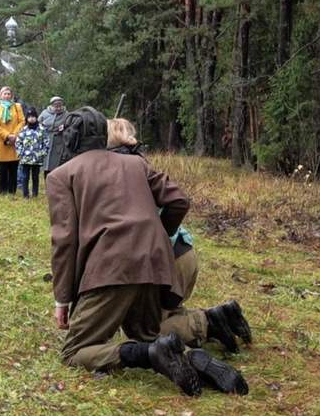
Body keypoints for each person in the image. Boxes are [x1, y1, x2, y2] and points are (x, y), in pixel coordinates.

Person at [47, 106, 247, 396]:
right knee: (150, 333)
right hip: (155, 262)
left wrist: (62, 300)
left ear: (69, 139)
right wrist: (158, 235)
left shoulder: (61, 176)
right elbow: (179, 199)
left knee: (74, 351)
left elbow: (64, 242)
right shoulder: (135, 163)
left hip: (110, 268)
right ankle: (192, 352)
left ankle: (145, 356)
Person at [108, 118, 253, 359]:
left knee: (144, 335)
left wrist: (160, 237)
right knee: (163, 316)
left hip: (168, 261)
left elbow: (178, 202)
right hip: (182, 252)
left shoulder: (121, 170)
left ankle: (207, 323)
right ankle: (221, 316)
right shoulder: (140, 162)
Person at [0, 86, 25, 195]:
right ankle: (2, 191)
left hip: (15, 141)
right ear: (0, 95)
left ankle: (12, 191)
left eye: (8, 94)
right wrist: (7, 135)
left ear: (11, 95)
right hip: (2, 141)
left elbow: (22, 122)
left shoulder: (17, 106)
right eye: (4, 93)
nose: (7, 95)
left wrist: (14, 135)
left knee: (13, 168)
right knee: (2, 168)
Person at [14, 108, 48, 198]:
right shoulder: (23, 130)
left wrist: (43, 153)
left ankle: (35, 194)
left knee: (35, 177)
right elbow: (18, 142)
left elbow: (46, 142)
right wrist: (20, 153)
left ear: (36, 117)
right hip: (25, 158)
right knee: (25, 177)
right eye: (29, 117)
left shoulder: (41, 129)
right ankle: (25, 194)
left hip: (37, 158)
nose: (31, 119)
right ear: (27, 118)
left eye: (33, 117)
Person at [39, 96, 67, 179]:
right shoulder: (45, 113)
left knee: (57, 163)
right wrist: (42, 128)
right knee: (46, 162)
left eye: (60, 106)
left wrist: (64, 126)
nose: (58, 108)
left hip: (58, 139)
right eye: (56, 106)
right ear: (52, 105)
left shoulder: (66, 114)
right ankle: (46, 178)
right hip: (46, 138)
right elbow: (38, 123)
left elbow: (69, 124)